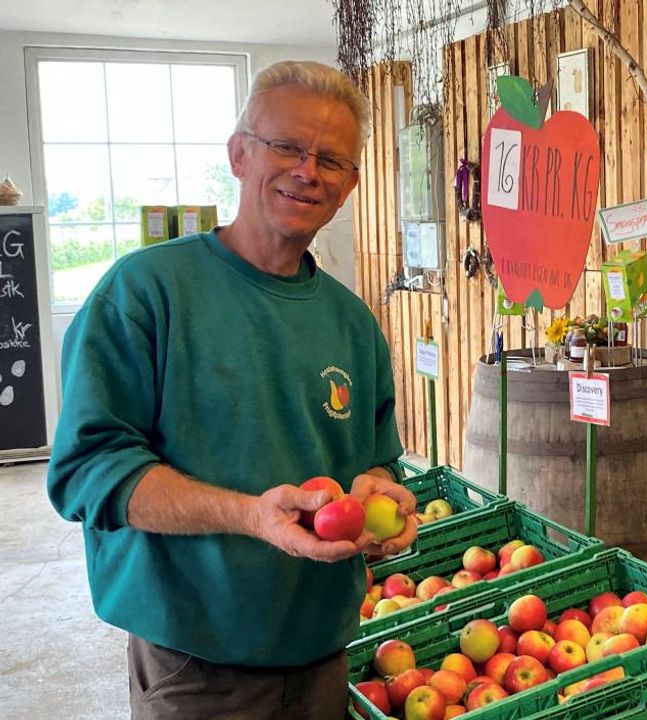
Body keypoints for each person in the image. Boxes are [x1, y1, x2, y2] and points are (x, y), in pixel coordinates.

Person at [47, 60, 417, 720]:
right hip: (196, 660)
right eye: (287, 146)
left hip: (323, 649)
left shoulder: (353, 323)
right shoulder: (145, 294)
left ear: (351, 184)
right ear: (239, 153)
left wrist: (377, 489)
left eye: (331, 159)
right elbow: (86, 471)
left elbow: (371, 457)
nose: (308, 171)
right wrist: (246, 513)